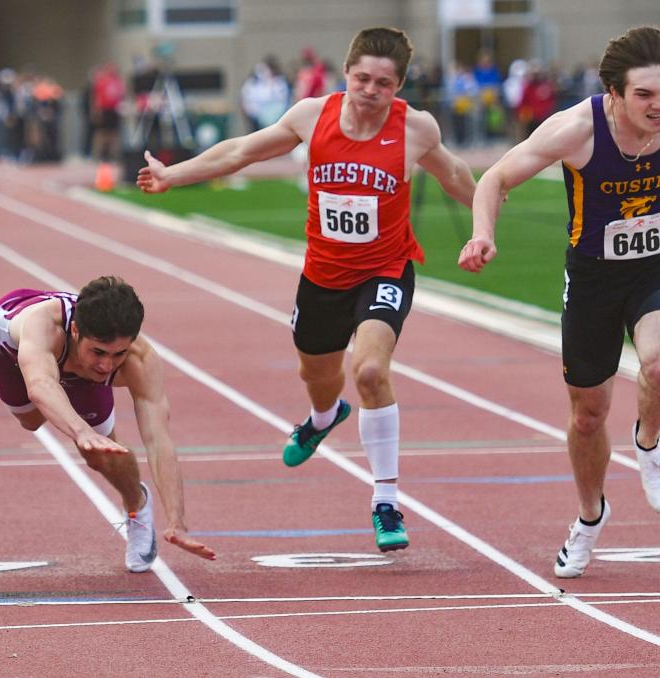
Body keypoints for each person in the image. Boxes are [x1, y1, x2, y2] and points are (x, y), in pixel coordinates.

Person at [138, 27, 477, 552]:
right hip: (322, 276)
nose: (370, 90)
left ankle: (385, 500)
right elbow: (240, 152)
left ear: (400, 86)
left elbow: (456, 175)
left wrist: (485, 225)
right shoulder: (312, 116)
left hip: (384, 270)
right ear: (346, 75)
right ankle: (324, 417)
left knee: (368, 370)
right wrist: (173, 175)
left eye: (383, 83)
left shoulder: (416, 129)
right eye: (362, 78)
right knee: (318, 375)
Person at [457, 26, 660, 578]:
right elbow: (497, 176)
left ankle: (647, 443)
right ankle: (590, 516)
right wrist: (482, 233)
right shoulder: (577, 130)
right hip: (593, 279)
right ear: (614, 94)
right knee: (588, 414)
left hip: (658, 265)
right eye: (644, 95)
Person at [0, 276, 216, 572]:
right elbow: (40, 384)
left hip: (75, 371)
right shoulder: (43, 327)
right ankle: (68, 392)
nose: (107, 365)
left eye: (118, 354)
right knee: (31, 420)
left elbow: (159, 441)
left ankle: (137, 505)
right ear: (77, 330)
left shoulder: (140, 359)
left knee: (100, 455)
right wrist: (80, 430)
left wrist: (177, 521)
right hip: (13, 356)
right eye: (99, 352)